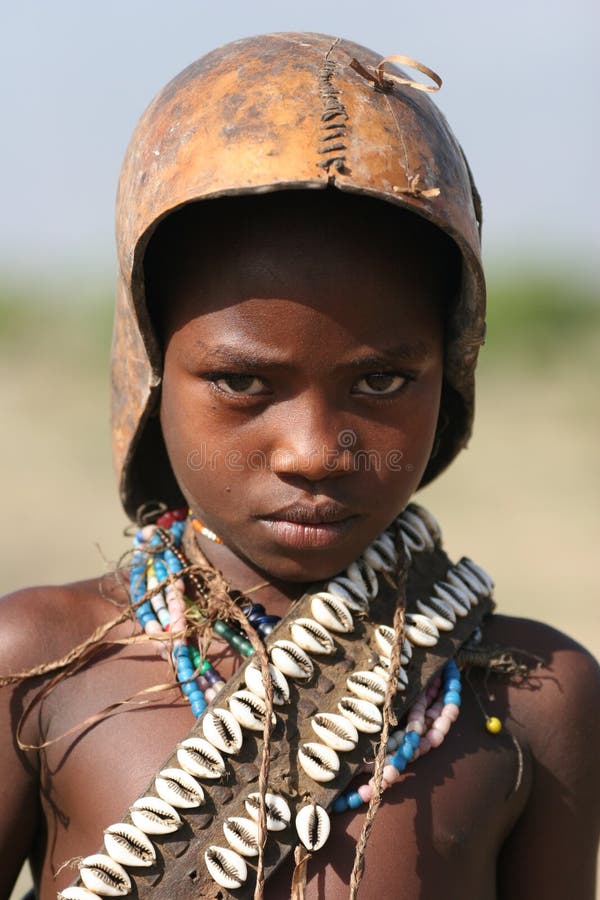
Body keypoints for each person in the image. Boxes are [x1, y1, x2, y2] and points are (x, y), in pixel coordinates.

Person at [1, 33, 598, 900]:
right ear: (151, 370)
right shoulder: (41, 668)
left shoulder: (537, 702)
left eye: (383, 381)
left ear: (454, 372)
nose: (317, 452)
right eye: (243, 381)